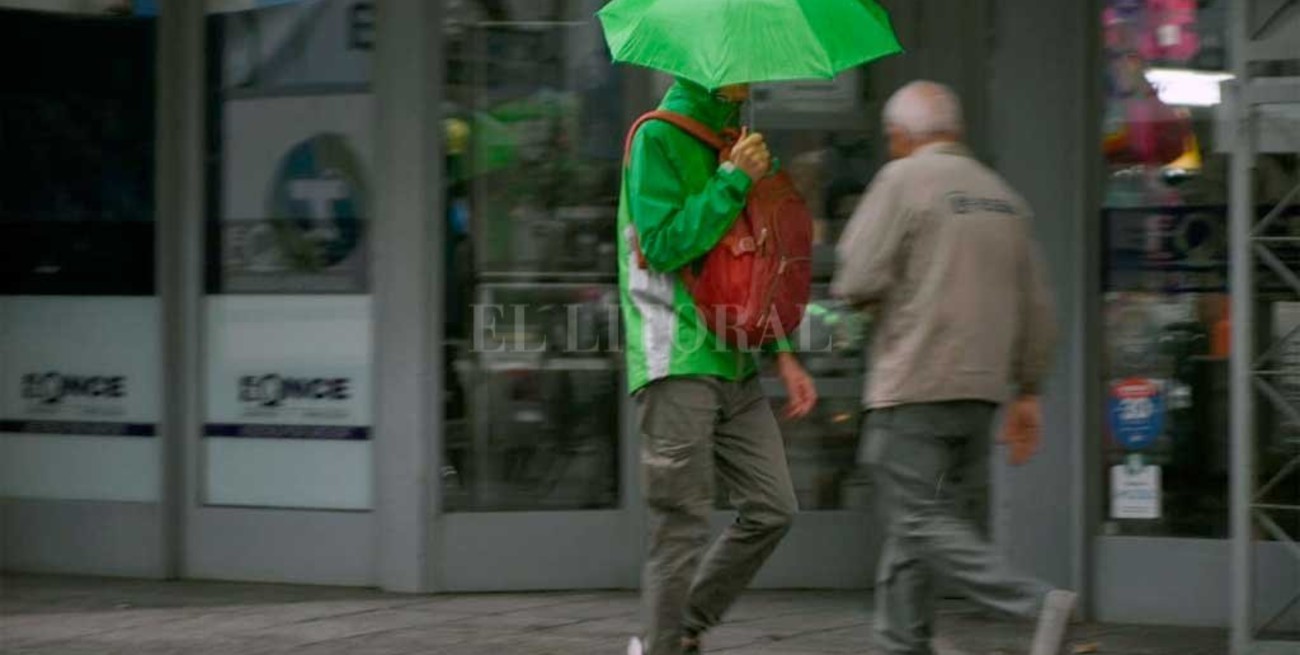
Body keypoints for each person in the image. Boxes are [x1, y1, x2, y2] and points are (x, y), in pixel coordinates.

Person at [831, 80, 1077, 655]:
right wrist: (1028, 392)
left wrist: (869, 298)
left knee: (918, 520)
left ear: (900, 135)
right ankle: (901, 642)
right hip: (980, 396)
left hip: (915, 386)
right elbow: (1039, 306)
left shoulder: (902, 179)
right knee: (916, 528)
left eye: (892, 139)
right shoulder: (1003, 196)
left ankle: (1036, 603)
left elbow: (856, 277)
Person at [620, 78, 819, 655]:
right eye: (740, 64)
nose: (752, 74)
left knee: (774, 507)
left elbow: (766, 258)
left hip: (737, 357)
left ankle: (683, 628)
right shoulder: (657, 136)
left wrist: (783, 353)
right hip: (675, 353)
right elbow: (660, 244)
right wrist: (734, 179)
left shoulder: (738, 139)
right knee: (680, 524)